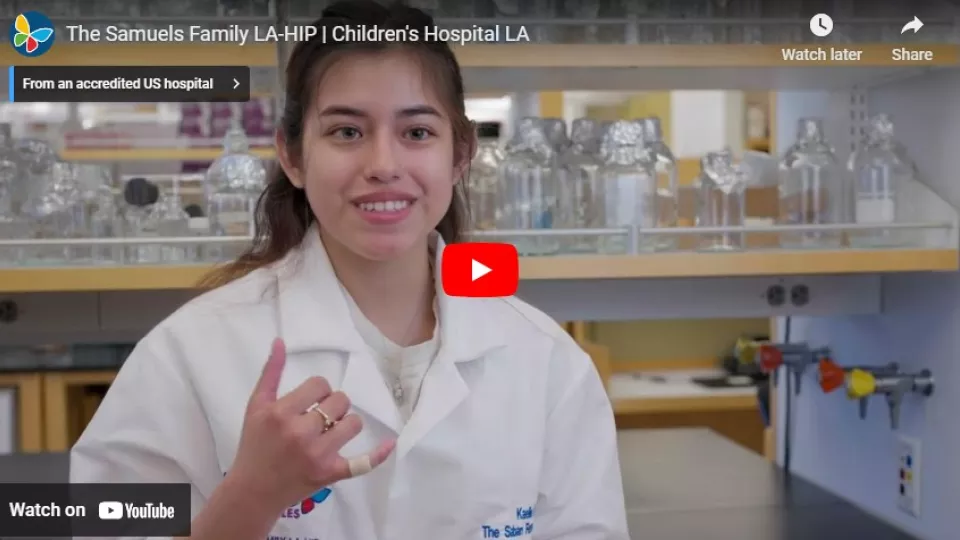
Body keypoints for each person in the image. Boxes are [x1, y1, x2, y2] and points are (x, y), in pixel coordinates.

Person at [70, 2, 629, 539]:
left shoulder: (546, 361)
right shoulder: (188, 354)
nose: (383, 166)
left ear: (460, 155)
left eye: (416, 133)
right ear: (292, 156)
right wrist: (251, 497)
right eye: (346, 132)